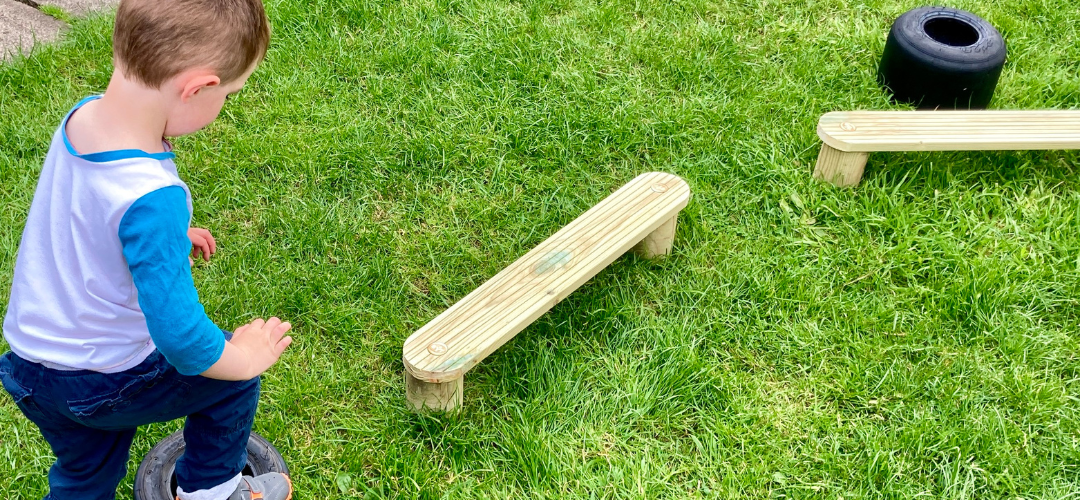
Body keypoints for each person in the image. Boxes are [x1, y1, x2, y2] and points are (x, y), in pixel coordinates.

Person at [0, 1, 294, 499]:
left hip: (31, 367)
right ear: (197, 88)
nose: (225, 104)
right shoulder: (152, 199)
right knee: (230, 380)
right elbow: (183, 340)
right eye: (228, 94)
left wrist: (164, 240)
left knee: (86, 476)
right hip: (101, 379)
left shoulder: (83, 119)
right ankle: (211, 493)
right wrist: (245, 358)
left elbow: (92, 215)